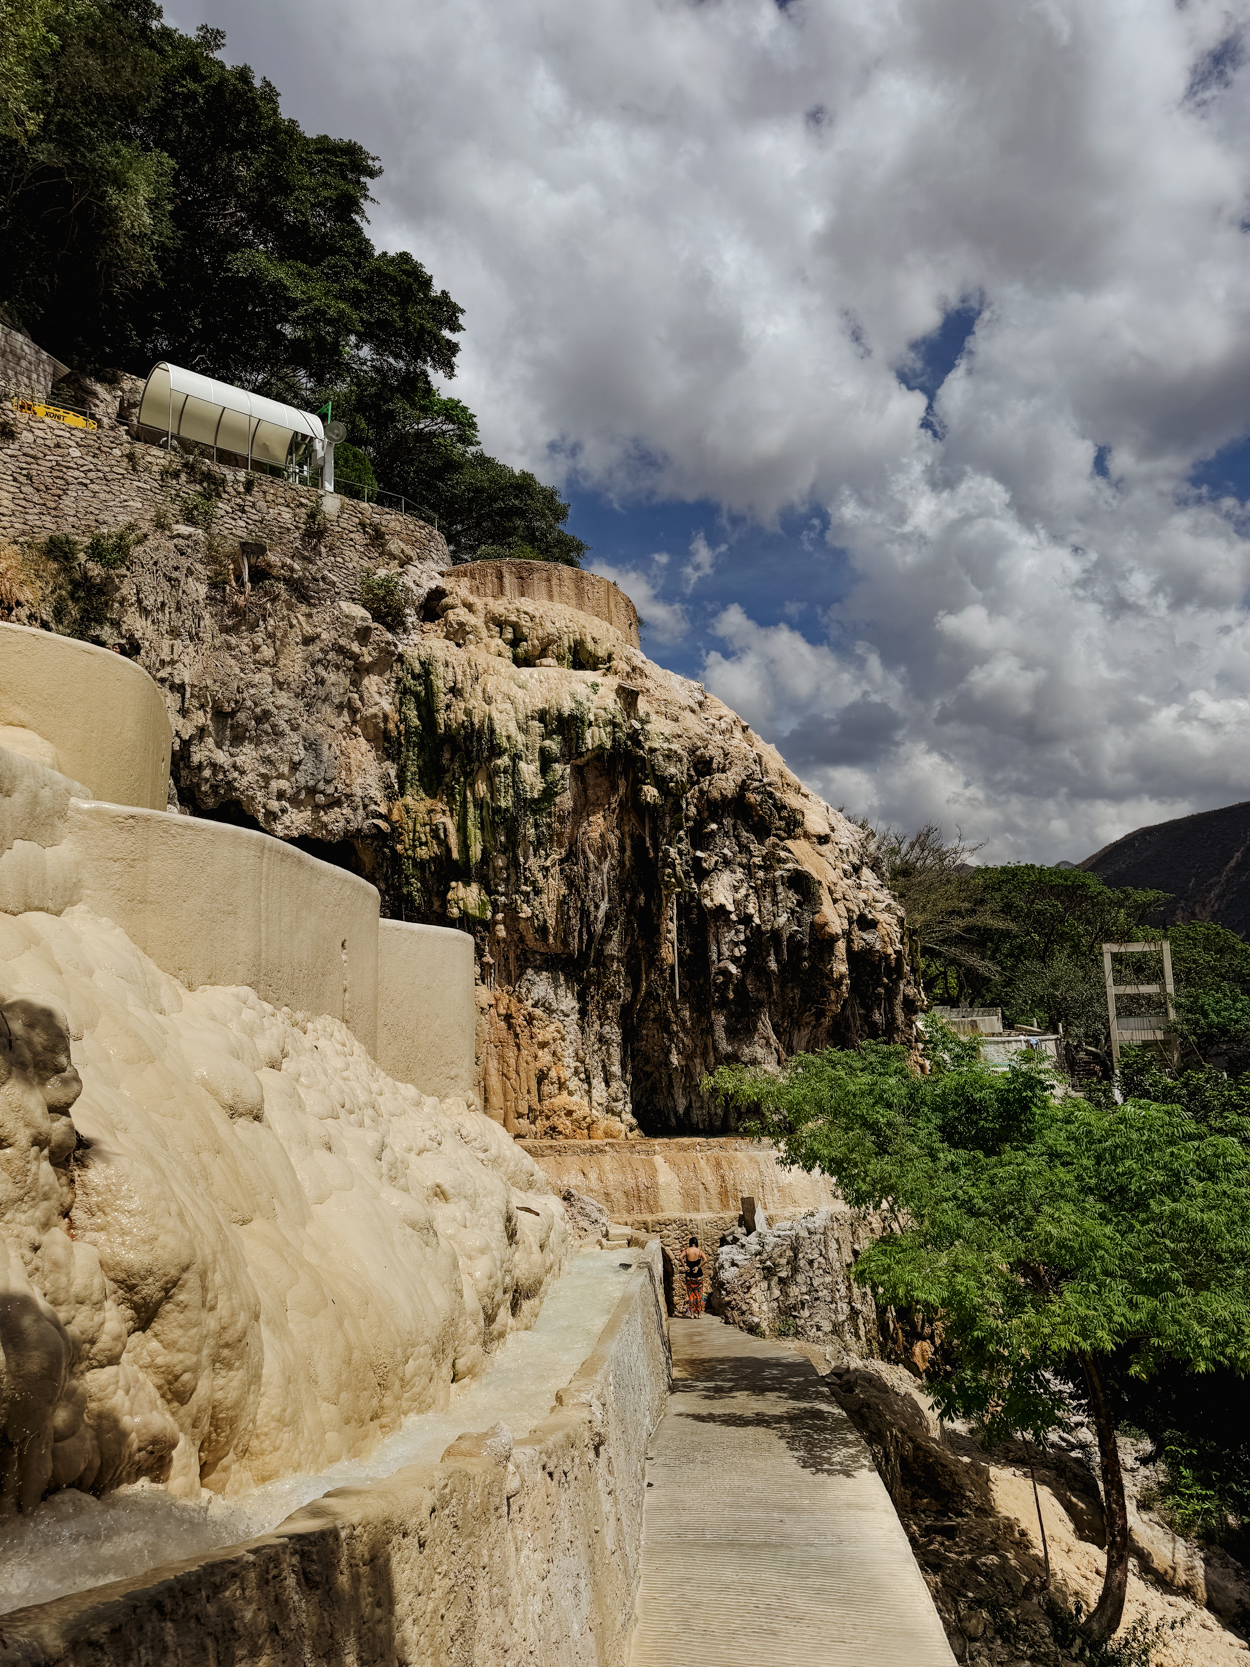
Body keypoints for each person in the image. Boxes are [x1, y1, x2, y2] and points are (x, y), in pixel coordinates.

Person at [682, 1236, 705, 1318]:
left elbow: (680, 1257)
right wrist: (698, 1267)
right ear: (696, 1243)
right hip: (698, 1275)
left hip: (689, 1276)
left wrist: (684, 1266)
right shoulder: (699, 1251)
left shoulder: (686, 1250)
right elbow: (705, 1259)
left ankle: (692, 1314)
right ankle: (699, 1314)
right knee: (698, 1295)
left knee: (691, 1295)